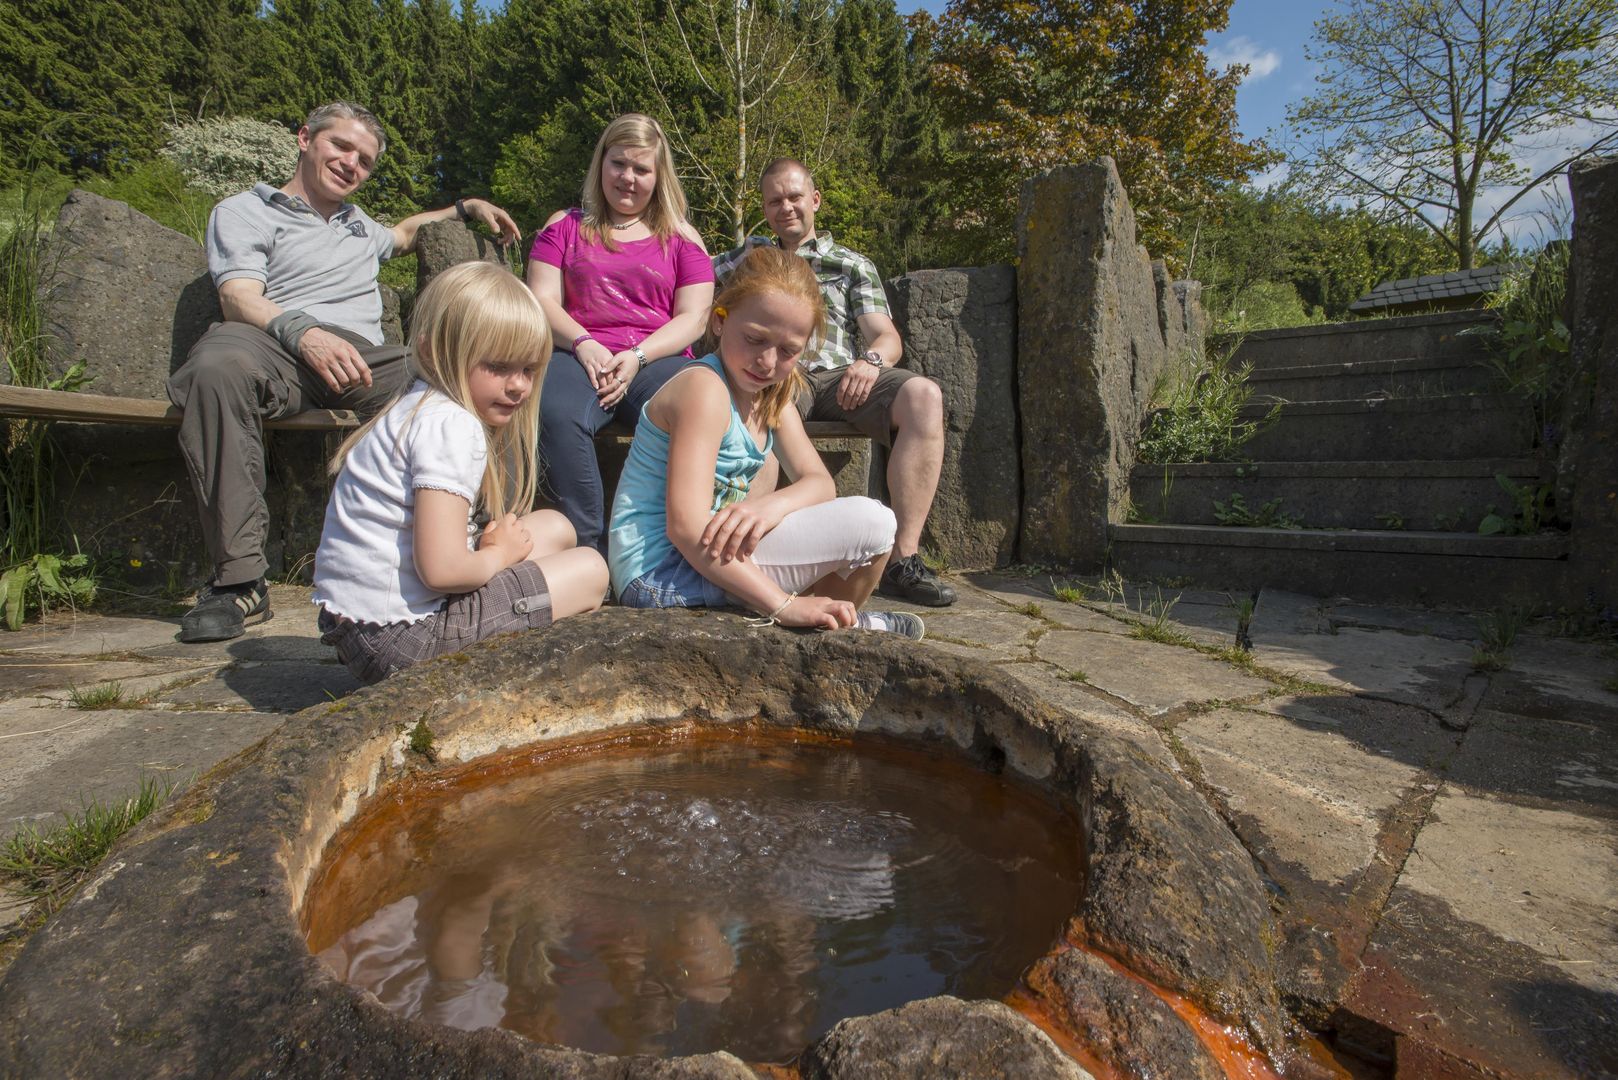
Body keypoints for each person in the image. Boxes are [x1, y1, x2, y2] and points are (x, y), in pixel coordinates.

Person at [168, 101, 522, 643]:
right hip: (269, 342)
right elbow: (238, 296)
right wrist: (304, 333)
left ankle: (475, 545)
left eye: (365, 160)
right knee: (214, 368)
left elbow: (404, 233)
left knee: (467, 378)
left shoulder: (361, 228)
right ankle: (239, 580)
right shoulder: (246, 210)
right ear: (305, 138)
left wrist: (464, 206)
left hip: (361, 359)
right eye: (341, 146)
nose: (351, 163)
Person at [311, 262, 607, 685]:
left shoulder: (421, 402)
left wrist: (495, 553)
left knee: (556, 527)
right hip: (405, 639)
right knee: (591, 570)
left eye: (527, 369)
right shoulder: (452, 424)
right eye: (498, 366)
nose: (519, 386)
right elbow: (442, 571)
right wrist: (497, 556)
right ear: (435, 353)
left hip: (360, 629)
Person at [608, 246, 923, 638]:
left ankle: (830, 625)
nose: (768, 362)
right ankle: (839, 625)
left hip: (707, 556)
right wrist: (783, 604)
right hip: (660, 576)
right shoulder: (704, 389)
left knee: (876, 525)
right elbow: (686, 527)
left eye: (788, 351)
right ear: (719, 321)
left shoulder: (771, 394)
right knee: (872, 522)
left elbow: (819, 482)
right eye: (754, 339)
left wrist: (770, 507)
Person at [713, 158, 955, 607]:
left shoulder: (851, 264)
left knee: (924, 396)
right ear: (764, 209)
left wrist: (871, 361)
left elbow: (886, 336)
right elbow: (689, 273)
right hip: (781, 373)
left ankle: (902, 560)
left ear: (816, 200)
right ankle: (744, 558)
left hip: (843, 377)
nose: (786, 207)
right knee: (761, 397)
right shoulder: (749, 260)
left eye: (794, 197)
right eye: (774, 201)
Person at [525, 113, 715, 554]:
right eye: (618, 164)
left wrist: (638, 355)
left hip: (657, 358)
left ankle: (679, 546)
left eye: (641, 169)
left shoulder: (682, 236)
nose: (628, 177)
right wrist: (583, 342)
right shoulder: (565, 225)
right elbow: (540, 299)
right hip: (577, 353)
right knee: (554, 410)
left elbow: (695, 318)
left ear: (659, 175)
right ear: (601, 164)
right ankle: (586, 550)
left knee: (700, 404)